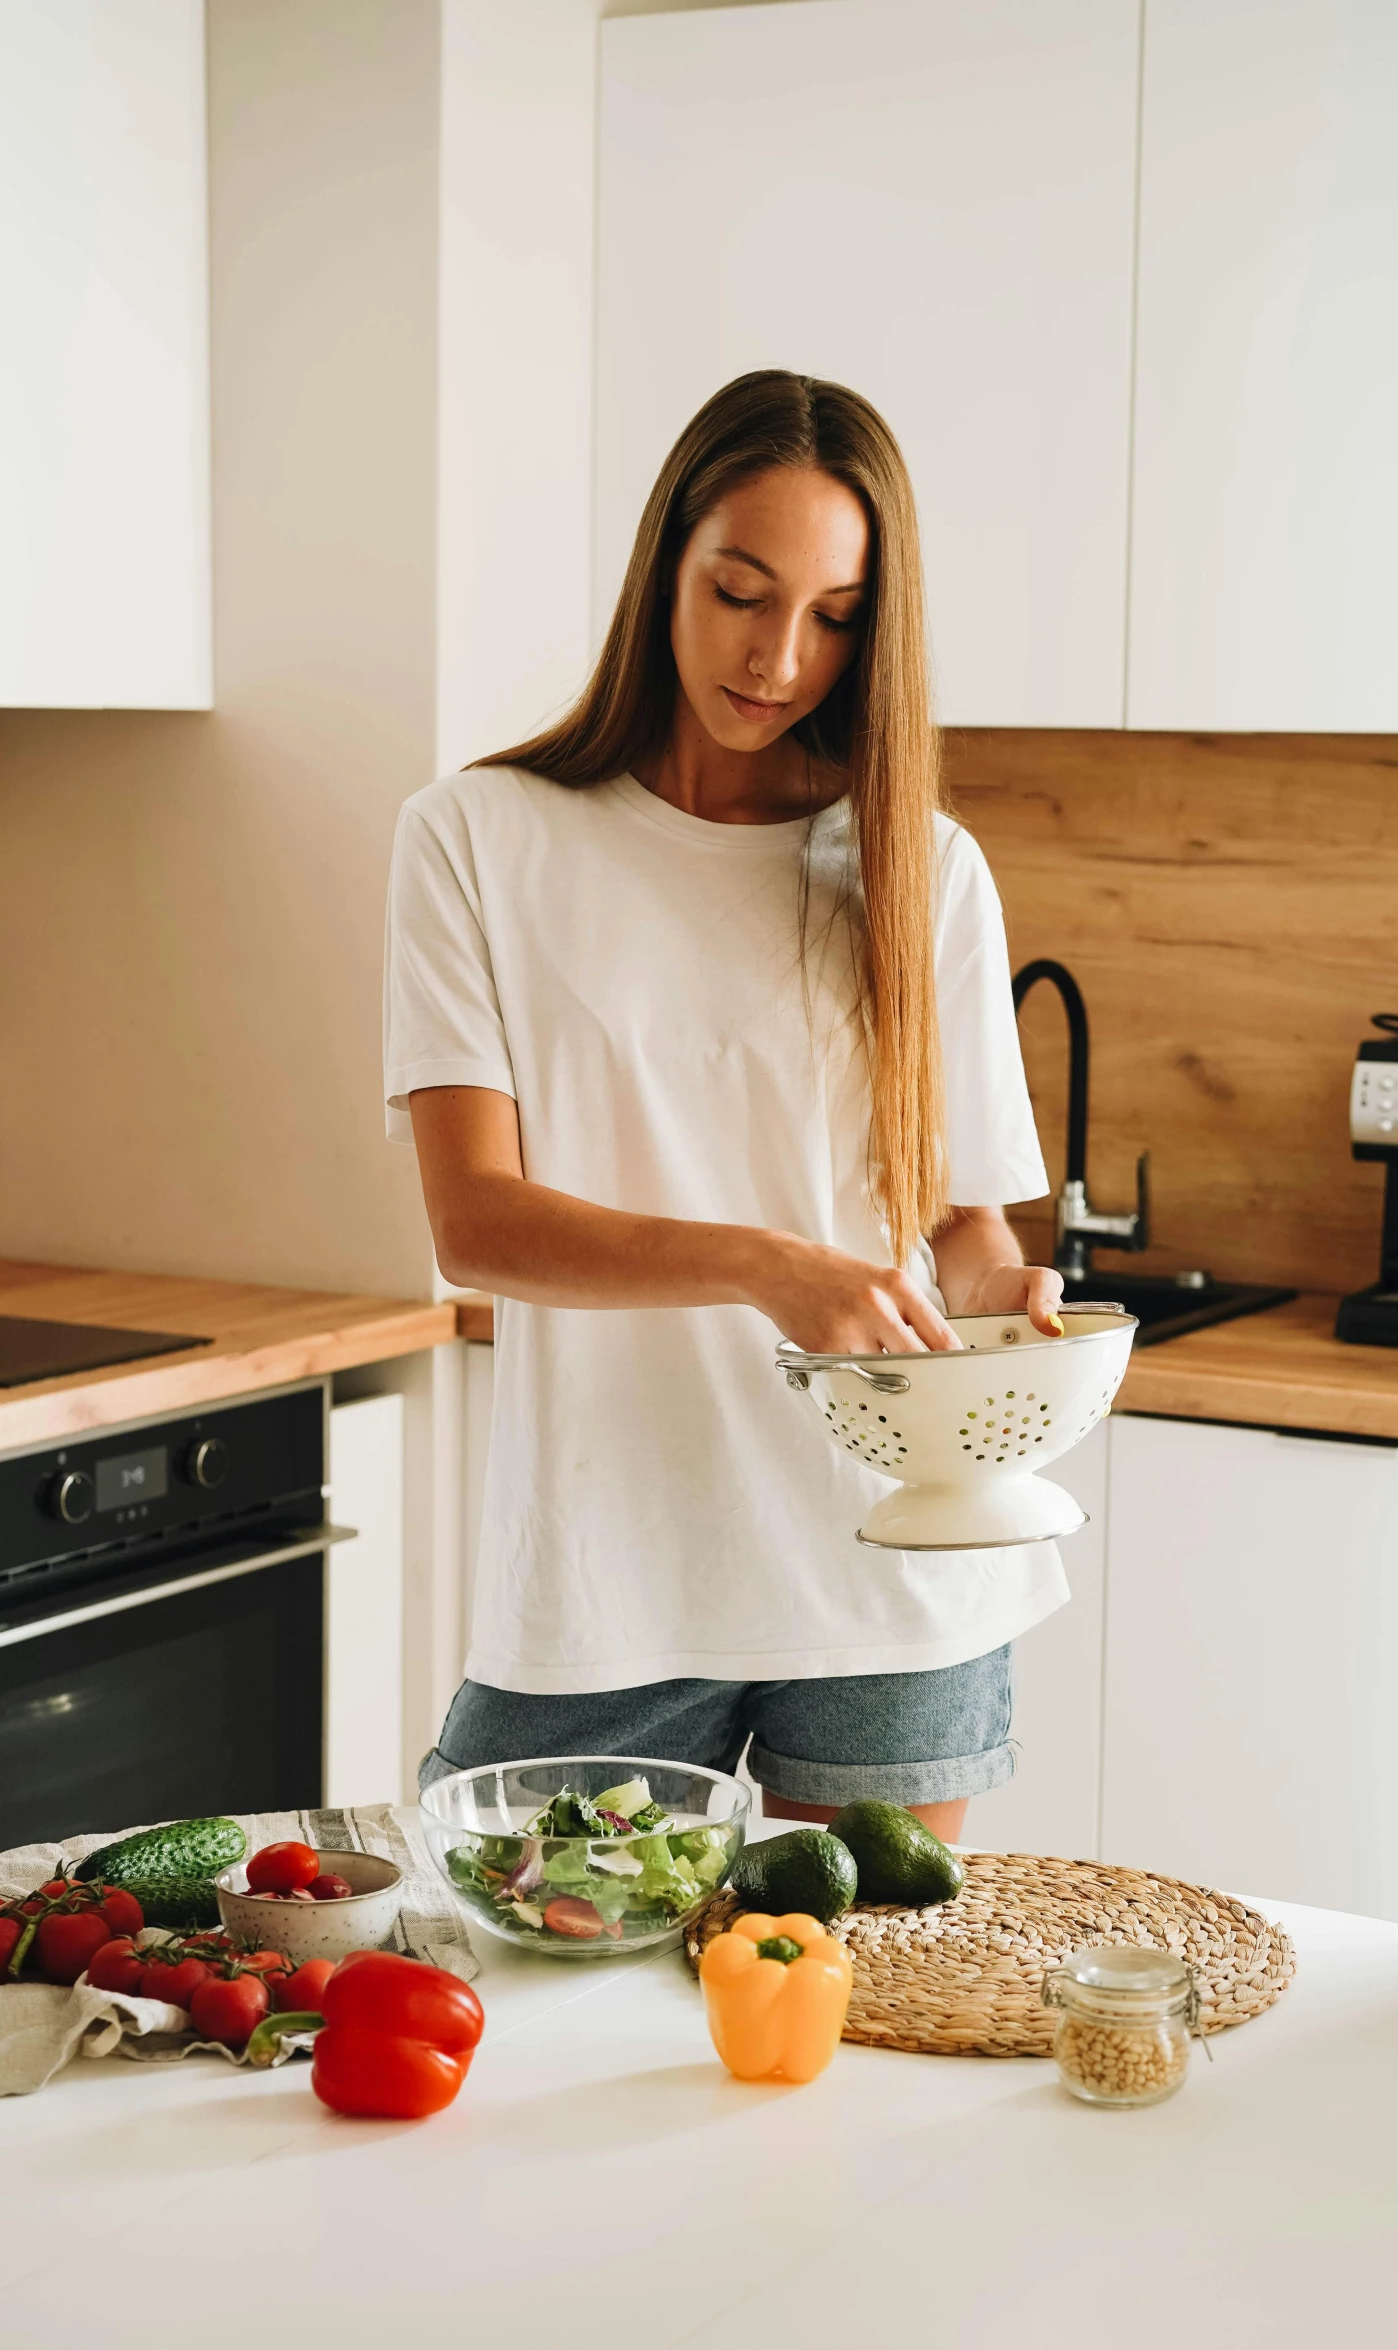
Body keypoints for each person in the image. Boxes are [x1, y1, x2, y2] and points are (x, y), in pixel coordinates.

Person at [384, 369, 1064, 1842]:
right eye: (740, 592)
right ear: (663, 570)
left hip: (890, 1568)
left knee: (875, 2032)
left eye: (833, 616)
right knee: (547, 2031)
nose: (777, 657)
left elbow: (957, 1229)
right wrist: (770, 1266)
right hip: (606, 1573)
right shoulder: (477, 839)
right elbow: (475, 1225)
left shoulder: (915, 866)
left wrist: (1010, 1299)